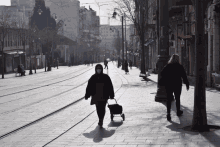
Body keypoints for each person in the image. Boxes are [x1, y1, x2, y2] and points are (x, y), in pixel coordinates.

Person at [159, 54, 189, 121]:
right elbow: (184, 75)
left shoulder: (168, 66)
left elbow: (162, 73)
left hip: (169, 84)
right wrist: (187, 83)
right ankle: (178, 111)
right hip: (177, 84)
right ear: (178, 59)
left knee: (168, 99)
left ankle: (168, 114)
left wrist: (164, 81)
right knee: (177, 98)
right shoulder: (180, 66)